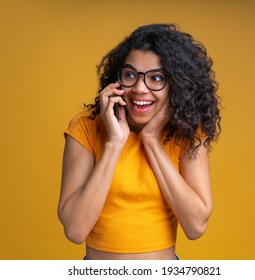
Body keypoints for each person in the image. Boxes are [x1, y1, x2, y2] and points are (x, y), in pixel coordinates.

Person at [58, 23, 221, 260]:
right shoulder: (87, 126)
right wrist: (115, 143)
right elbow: (74, 230)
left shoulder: (188, 133)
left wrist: (152, 140)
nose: (139, 88)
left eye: (156, 78)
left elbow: (196, 226)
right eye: (131, 75)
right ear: (117, 79)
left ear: (176, 86)